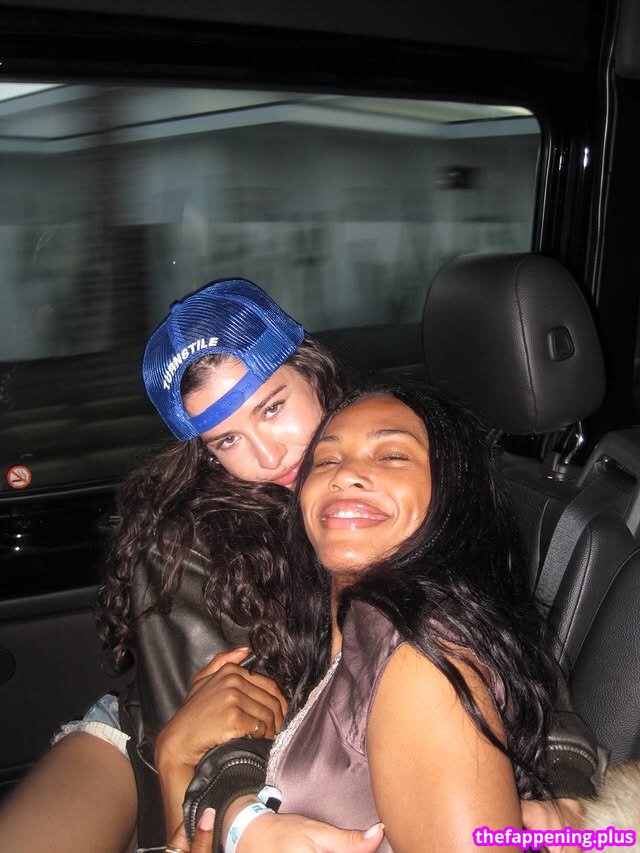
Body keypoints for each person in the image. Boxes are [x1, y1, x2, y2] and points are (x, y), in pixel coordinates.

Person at [0, 281, 599, 852]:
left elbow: (507, 640)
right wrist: (242, 818)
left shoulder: (406, 477)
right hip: (152, 745)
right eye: (225, 440)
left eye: (272, 407)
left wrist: (568, 783)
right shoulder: (185, 544)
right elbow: (205, 726)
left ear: (312, 371)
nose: (267, 456)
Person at [179, 385, 563, 852]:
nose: (346, 475)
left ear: (454, 492)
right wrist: (237, 809)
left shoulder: (420, 666)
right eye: (325, 461)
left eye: (393, 456)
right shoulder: (342, 628)